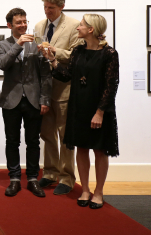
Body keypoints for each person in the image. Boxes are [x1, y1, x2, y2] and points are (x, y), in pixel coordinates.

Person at [42, 14, 119, 209]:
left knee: (100, 151)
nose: (78, 28)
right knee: (82, 149)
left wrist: (100, 112)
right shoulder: (77, 51)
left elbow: (111, 87)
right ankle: (85, 189)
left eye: (82, 25)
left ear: (91, 29)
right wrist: (52, 60)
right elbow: (68, 76)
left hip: (98, 109)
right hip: (78, 107)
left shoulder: (109, 53)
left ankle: (98, 191)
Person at [0, 8, 52, 198]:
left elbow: (45, 74)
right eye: (19, 22)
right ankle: (14, 179)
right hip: (10, 100)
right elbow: (2, 64)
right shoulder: (3, 44)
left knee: (33, 142)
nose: (23, 25)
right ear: (9, 25)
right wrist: (18, 44)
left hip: (33, 100)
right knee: (12, 141)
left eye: (24, 21)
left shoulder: (37, 44)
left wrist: (45, 99)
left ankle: (32, 179)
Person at [34, 0, 82, 195]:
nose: (47, 11)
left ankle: (67, 177)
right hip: (43, 91)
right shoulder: (38, 26)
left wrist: (55, 52)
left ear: (62, 6)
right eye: (45, 7)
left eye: (51, 8)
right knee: (47, 135)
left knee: (65, 136)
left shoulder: (74, 26)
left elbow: (77, 56)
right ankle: (50, 173)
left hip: (64, 90)